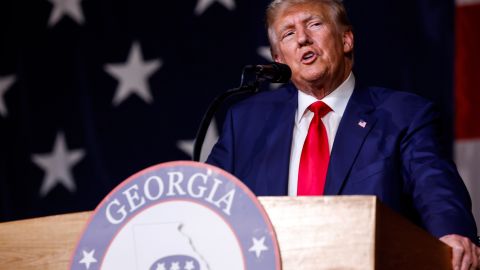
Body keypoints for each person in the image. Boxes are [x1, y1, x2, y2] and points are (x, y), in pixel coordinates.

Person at [206, 0, 480, 268]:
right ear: (278, 59)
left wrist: (452, 233)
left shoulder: (403, 114)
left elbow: (434, 185)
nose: (302, 38)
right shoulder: (246, 121)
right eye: (288, 33)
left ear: (346, 40)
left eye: (314, 24)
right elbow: (207, 196)